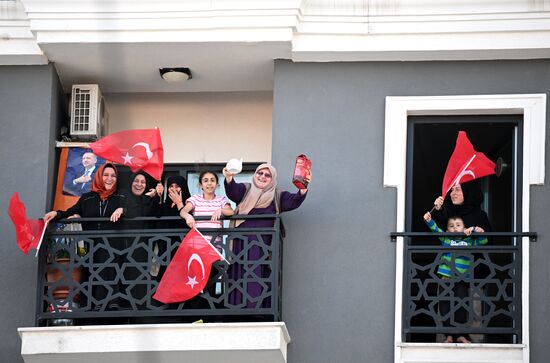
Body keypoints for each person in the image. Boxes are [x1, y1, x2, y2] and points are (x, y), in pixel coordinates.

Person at [223, 163, 309, 309]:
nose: (262, 176)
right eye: (259, 173)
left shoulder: (277, 196)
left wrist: (303, 188)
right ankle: (236, 309)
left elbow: (294, 200)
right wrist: (229, 178)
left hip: (261, 245)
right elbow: (233, 191)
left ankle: (256, 309)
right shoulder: (246, 190)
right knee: (239, 273)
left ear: (272, 179)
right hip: (241, 244)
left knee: (258, 275)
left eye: (267, 175)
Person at [44, 163, 127, 310]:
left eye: (113, 176)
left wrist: (122, 209)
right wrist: (56, 213)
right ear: (99, 177)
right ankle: (94, 306)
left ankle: (111, 304)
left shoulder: (121, 196)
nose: (110, 179)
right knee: (93, 275)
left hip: (114, 246)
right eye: (106, 175)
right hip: (92, 246)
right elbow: (70, 211)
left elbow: (134, 209)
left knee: (111, 272)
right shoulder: (87, 198)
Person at [423, 211, 488, 344]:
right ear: (447, 229)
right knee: (445, 306)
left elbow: (484, 241)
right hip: (445, 278)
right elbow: (435, 229)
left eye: (458, 225)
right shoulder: (446, 239)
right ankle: (449, 335)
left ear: (464, 228)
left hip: (462, 279)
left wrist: (476, 230)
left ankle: (460, 334)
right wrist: (429, 220)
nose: (455, 227)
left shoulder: (470, 241)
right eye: (451, 226)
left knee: (461, 305)